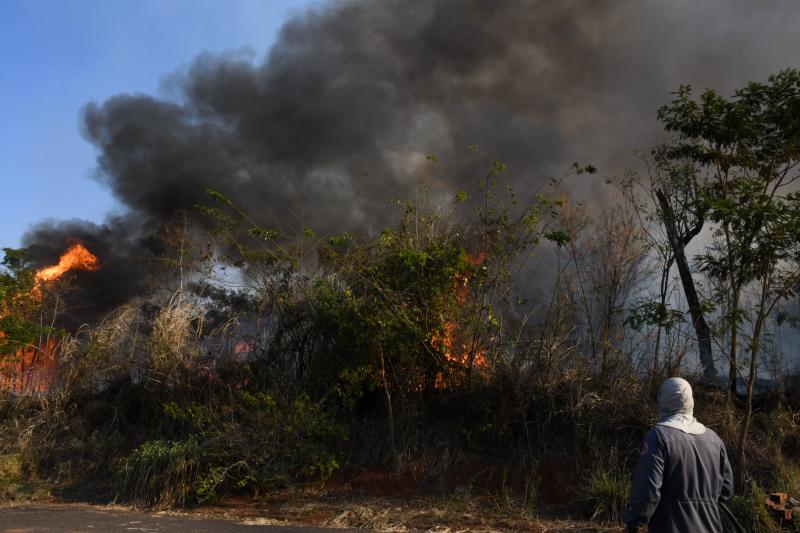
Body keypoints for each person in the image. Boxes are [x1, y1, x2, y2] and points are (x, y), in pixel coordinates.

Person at [623, 377, 734, 532]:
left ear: (663, 401)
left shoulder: (658, 437)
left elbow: (647, 493)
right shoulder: (714, 440)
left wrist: (633, 520)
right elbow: (726, 491)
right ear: (691, 401)